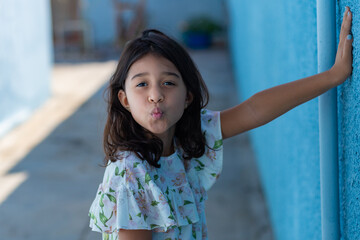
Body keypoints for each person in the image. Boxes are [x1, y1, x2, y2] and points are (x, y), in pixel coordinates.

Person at [89, 7, 353, 240]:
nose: (156, 95)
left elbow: (254, 109)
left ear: (187, 96)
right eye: (142, 84)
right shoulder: (129, 175)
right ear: (123, 99)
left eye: (168, 82)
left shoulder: (186, 139)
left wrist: (332, 76)